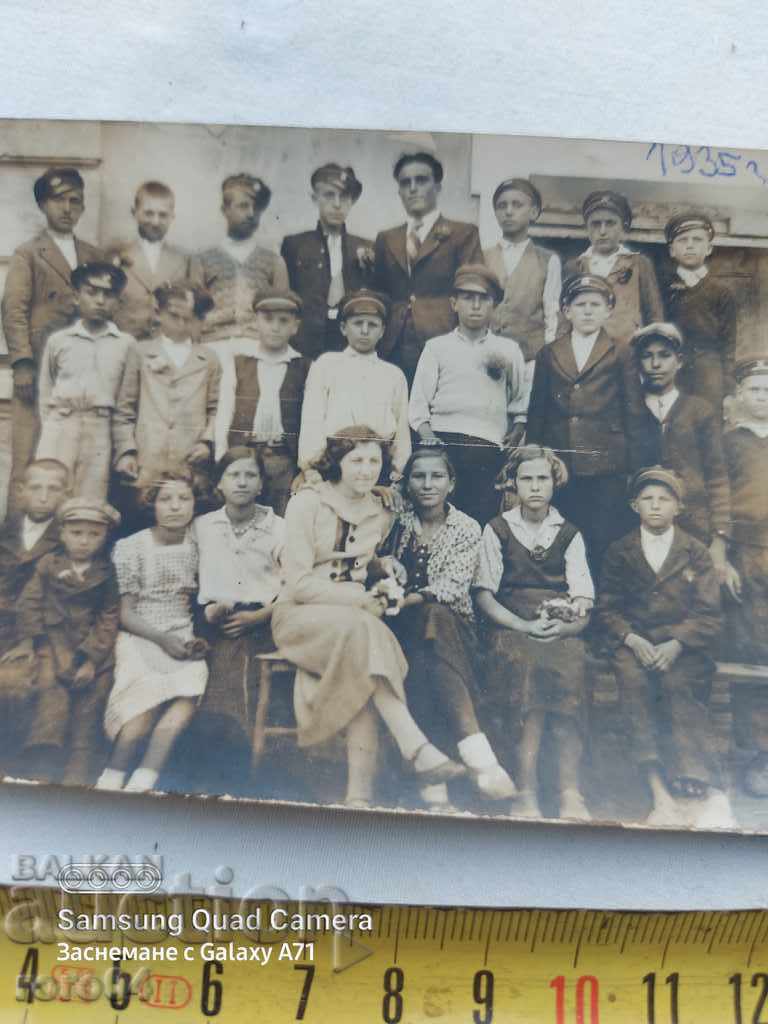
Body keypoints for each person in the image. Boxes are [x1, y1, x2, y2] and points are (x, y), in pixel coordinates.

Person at [271, 426, 466, 808]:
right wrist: (360, 599)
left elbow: (351, 560)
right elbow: (299, 584)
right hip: (301, 618)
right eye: (356, 460)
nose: (365, 470)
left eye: (374, 461)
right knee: (367, 631)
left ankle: (359, 799)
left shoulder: (380, 509)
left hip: (352, 624)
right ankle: (414, 746)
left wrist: (382, 566)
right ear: (337, 462)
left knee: (365, 665)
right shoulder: (306, 504)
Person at [596, 467, 733, 828]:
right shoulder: (619, 550)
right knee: (634, 683)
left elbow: (709, 614)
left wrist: (677, 643)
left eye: (664, 499)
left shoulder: (696, 552)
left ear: (679, 507)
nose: (655, 506)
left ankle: (695, 785)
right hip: (635, 644)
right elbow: (607, 609)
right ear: (634, 505)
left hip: (683, 648)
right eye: (647, 499)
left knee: (678, 684)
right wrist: (631, 638)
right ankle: (656, 787)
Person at [385, 447, 516, 807]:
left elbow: (450, 589)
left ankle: (435, 790)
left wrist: (406, 599)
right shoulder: (395, 523)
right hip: (401, 629)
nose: (427, 484)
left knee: (434, 620)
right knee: (426, 652)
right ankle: (479, 756)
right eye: (419, 476)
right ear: (407, 482)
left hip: (454, 629)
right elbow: (376, 566)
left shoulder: (466, 527)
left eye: (437, 476)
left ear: (451, 483)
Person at [474, 446, 595, 821]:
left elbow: (583, 602)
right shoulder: (496, 530)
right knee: (525, 676)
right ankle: (524, 790)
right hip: (512, 628)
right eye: (526, 478)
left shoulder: (570, 533)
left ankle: (569, 791)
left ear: (554, 482)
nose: (535, 486)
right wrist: (524, 625)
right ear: (514, 483)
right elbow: (483, 596)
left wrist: (566, 625)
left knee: (571, 672)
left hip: (560, 631)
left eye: (542, 478)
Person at [97, 470, 208, 793]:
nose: (175, 506)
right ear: (152, 505)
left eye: (183, 498)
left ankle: (144, 781)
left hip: (182, 634)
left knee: (187, 694)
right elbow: (126, 613)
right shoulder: (132, 547)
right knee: (142, 710)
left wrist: (193, 641)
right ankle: (111, 780)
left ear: (194, 505)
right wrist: (161, 640)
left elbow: (201, 603)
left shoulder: (198, 547)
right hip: (140, 635)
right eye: (166, 499)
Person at [1, 167, 103, 514]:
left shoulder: (92, 254)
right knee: (29, 456)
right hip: (40, 369)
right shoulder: (28, 253)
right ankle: (15, 547)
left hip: (82, 372)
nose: (67, 208)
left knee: (75, 456)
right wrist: (22, 363)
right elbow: (13, 309)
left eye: (75, 201)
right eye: (59, 199)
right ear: (43, 205)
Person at [186, 447, 284, 794]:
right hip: (212, 621)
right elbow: (190, 579)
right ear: (219, 484)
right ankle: (210, 771)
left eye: (250, 475)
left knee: (244, 675)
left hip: (263, 620)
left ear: (261, 484)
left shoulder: (279, 528)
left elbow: (295, 584)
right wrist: (210, 611)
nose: (242, 482)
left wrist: (258, 616)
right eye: (234, 475)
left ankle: (239, 773)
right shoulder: (202, 526)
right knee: (212, 675)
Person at [525, 273, 637, 573]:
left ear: (608, 310)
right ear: (566, 311)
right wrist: (535, 457)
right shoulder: (549, 353)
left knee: (601, 537)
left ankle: (598, 611)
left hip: (606, 464)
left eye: (596, 304)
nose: (588, 311)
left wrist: (635, 465)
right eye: (580, 304)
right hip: (561, 462)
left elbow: (633, 410)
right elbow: (538, 410)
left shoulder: (621, 352)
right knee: (562, 533)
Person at [12, 498, 121, 786]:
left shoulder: (107, 572)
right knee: (52, 695)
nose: (84, 541)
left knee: (90, 705)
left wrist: (90, 660)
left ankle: (77, 778)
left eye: (94, 534)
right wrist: (30, 643)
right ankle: (42, 768)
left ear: (105, 537)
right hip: (52, 644)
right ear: (62, 533)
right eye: (76, 533)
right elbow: (29, 603)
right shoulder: (49, 564)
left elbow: (109, 618)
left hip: (92, 652)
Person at [409, 264, 528, 525]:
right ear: (454, 303)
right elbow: (418, 406)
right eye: (467, 298)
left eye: (483, 299)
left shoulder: (508, 350)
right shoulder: (437, 348)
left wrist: (518, 427)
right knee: (437, 516)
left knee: (478, 520)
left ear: (493, 304)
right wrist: (429, 438)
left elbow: (520, 403)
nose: (475, 306)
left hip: (486, 448)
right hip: (442, 443)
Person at [627, 322, 733, 585]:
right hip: (642, 523)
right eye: (647, 356)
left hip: (694, 524)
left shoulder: (699, 410)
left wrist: (718, 541)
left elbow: (717, 476)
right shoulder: (628, 409)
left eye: (664, 355)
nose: (655, 364)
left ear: (680, 361)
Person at [373, 151, 483, 381]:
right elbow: (379, 293)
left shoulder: (462, 234)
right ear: (399, 192)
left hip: (442, 339)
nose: (413, 188)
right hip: (392, 344)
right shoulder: (387, 238)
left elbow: (472, 290)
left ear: (438, 187)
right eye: (405, 183)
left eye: (421, 180)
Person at [35, 262, 139, 501]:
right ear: (76, 296)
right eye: (91, 292)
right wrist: (54, 425)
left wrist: (124, 448)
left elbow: (126, 404)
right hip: (60, 425)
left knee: (89, 499)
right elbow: (46, 391)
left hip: (99, 428)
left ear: (118, 301)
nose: (100, 301)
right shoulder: (59, 341)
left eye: (108, 294)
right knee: (49, 493)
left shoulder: (125, 345)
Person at [115, 281, 220, 493]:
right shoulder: (141, 352)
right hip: (148, 459)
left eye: (188, 318)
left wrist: (206, 443)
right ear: (159, 313)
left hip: (190, 460)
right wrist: (127, 451)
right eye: (174, 316)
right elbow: (124, 410)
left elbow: (215, 409)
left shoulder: (208, 359)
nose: (181, 324)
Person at [298, 290, 410, 483]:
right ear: (343, 327)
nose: (365, 331)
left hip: (377, 462)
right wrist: (310, 465)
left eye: (372, 325)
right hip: (333, 460)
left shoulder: (393, 374)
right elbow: (312, 418)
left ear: (382, 330)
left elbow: (401, 429)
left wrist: (398, 467)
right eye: (358, 323)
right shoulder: (326, 365)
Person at [215, 290, 309, 515]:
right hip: (243, 457)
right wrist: (221, 459)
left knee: (280, 519)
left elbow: (309, 420)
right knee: (240, 515)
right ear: (256, 322)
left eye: (283, 321)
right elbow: (224, 413)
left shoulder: (303, 366)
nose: (275, 327)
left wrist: (304, 468)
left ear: (295, 326)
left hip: (283, 461)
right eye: (268, 319)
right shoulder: (239, 363)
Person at [0, 459, 69, 768]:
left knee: (17, 684)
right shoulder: (5, 530)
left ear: (65, 495)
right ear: (20, 492)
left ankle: (17, 767)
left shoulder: (69, 539)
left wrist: (28, 639)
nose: (43, 496)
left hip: (35, 632)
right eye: (36, 488)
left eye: (53, 489)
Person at [721, 358, 768, 795]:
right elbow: (720, 503)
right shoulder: (730, 443)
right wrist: (727, 559)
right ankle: (755, 757)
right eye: (755, 390)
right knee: (752, 651)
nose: (762, 398)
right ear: (740, 397)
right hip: (746, 554)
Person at [281, 164, 374, 359]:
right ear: (315, 198)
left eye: (345, 197)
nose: (337, 204)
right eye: (329, 195)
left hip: (350, 343)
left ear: (352, 201)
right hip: (305, 342)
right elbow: (287, 298)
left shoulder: (367, 246)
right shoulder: (295, 245)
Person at [484, 177, 562, 392]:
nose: (508, 211)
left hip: (530, 361)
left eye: (517, 205)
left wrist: (545, 360)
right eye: (502, 206)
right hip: (486, 358)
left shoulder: (547, 260)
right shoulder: (482, 256)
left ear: (534, 212)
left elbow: (552, 314)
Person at [563, 190, 663, 348]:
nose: (602, 231)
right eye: (596, 224)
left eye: (610, 223)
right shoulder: (575, 266)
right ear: (586, 228)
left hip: (628, 352)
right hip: (586, 353)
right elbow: (564, 318)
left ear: (623, 226)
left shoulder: (639, 263)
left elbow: (654, 316)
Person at [199, 173, 289, 344]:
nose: (251, 214)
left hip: (258, 346)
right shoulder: (202, 260)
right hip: (213, 344)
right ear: (225, 210)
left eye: (256, 208)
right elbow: (194, 316)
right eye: (243, 206)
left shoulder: (274, 262)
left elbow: (283, 314)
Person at [662, 211, 737, 413]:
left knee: (709, 426)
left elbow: (728, 344)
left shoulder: (722, 292)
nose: (690, 245)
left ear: (709, 248)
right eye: (682, 240)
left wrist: (728, 390)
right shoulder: (663, 288)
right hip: (671, 371)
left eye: (697, 240)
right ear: (671, 250)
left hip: (709, 372)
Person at [109, 180, 203, 340]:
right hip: (125, 342)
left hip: (169, 344)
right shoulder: (115, 253)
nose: (155, 221)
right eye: (148, 213)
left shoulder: (186, 258)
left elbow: (197, 311)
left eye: (163, 215)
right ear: (134, 212)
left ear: (172, 216)